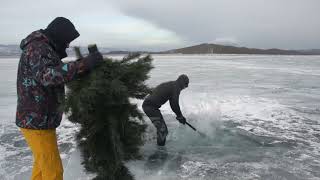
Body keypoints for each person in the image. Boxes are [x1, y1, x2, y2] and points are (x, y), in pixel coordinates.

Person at [16, 17, 103, 180]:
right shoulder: (38, 48)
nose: (68, 45)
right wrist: (82, 64)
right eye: (67, 40)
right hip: (35, 120)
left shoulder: (43, 47)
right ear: (59, 36)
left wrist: (82, 64)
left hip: (38, 119)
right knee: (53, 172)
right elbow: (48, 75)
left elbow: (56, 69)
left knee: (42, 168)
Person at [142, 74, 189, 146]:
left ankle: (156, 142)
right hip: (150, 107)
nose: (185, 87)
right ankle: (160, 152)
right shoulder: (176, 87)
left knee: (162, 130)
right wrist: (180, 116)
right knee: (163, 130)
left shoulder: (172, 85)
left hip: (151, 107)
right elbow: (174, 103)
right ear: (182, 82)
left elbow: (172, 104)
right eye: (185, 85)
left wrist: (179, 116)